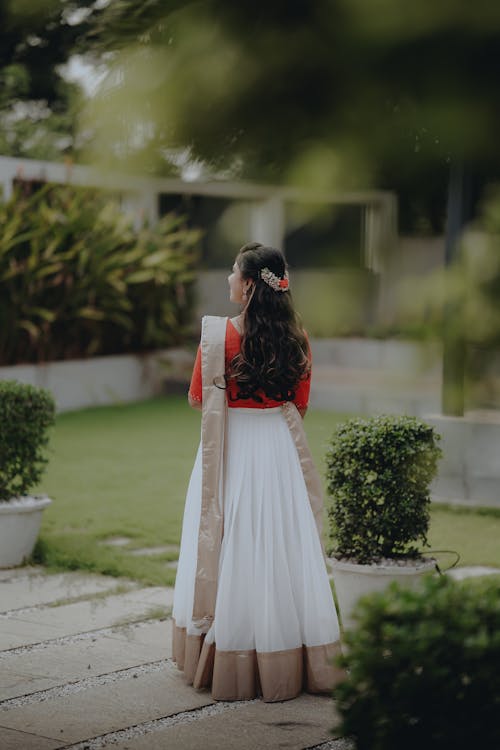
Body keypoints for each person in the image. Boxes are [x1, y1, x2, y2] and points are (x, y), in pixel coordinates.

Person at [171, 242, 342, 702]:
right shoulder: (298, 338)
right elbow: (300, 405)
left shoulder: (217, 336)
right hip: (279, 451)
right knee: (278, 544)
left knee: (227, 540)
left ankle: (227, 652)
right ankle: (289, 652)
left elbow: (195, 399)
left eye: (232, 272)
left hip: (229, 448)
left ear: (248, 284)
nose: (228, 278)